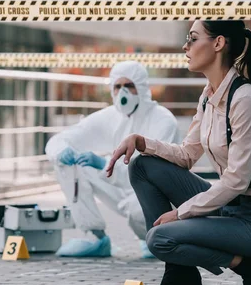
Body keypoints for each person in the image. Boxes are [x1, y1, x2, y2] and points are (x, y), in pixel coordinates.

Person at [106, 20, 251, 285]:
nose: (185, 46)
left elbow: (237, 181)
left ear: (218, 44)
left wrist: (179, 214)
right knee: (142, 166)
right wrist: (141, 141)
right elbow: (186, 155)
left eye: (193, 39)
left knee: (159, 238)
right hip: (231, 209)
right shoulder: (208, 95)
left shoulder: (245, 99)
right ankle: (179, 269)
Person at [45, 61, 178, 258]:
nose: (123, 92)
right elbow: (62, 139)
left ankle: (154, 237)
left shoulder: (162, 120)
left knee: (137, 211)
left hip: (157, 194)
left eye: (129, 86)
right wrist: (61, 151)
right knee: (69, 165)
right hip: (122, 189)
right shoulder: (110, 116)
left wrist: (103, 163)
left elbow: (153, 173)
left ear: (141, 87)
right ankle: (95, 237)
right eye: (117, 86)